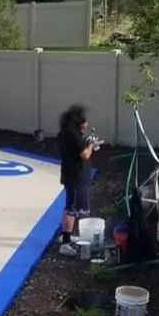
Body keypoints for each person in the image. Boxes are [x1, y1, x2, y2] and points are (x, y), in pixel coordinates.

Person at [58, 104, 99, 257]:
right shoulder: (74, 136)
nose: (86, 125)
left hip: (70, 175)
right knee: (72, 209)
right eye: (84, 123)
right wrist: (91, 145)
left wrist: (86, 142)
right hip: (76, 177)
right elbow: (85, 155)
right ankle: (66, 244)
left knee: (69, 206)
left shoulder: (64, 133)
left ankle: (65, 235)